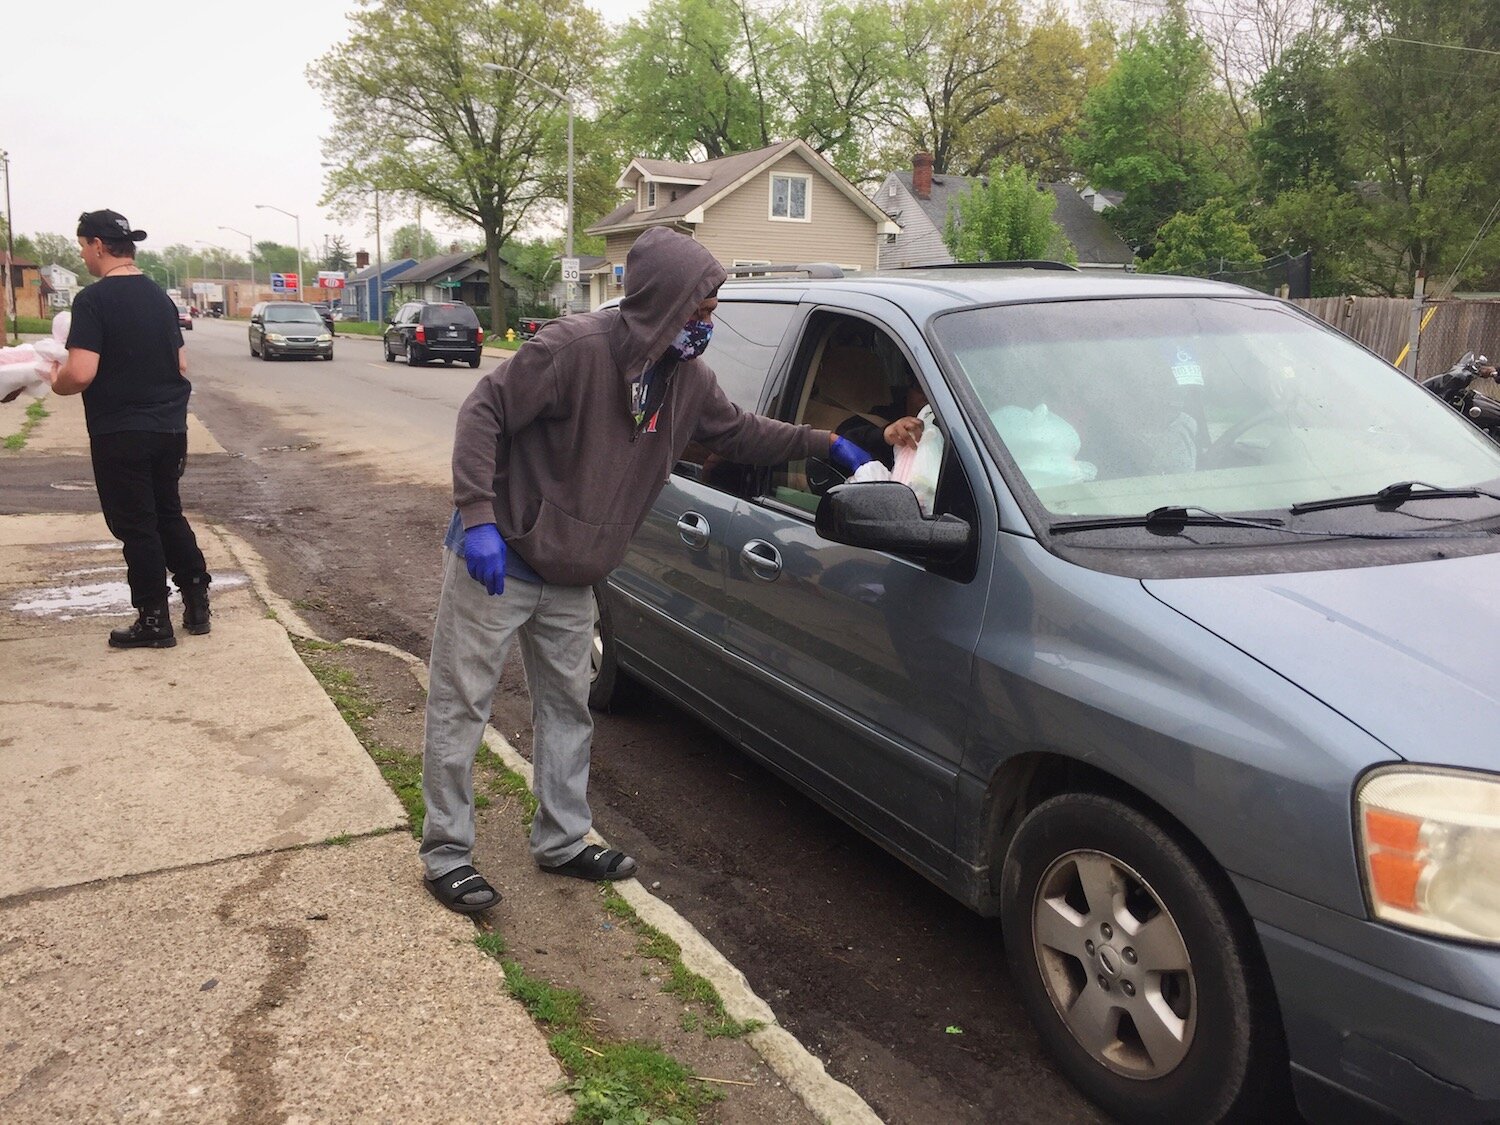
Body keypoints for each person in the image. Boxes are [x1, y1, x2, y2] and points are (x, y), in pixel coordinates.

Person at [420, 227, 872, 914]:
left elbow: (741, 432)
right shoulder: (570, 351)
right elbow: (484, 410)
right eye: (702, 307)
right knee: (462, 705)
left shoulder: (688, 381)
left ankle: (562, 839)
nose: (710, 320)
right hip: (501, 556)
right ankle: (446, 853)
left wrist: (828, 441)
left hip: (575, 573)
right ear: (664, 302)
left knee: (569, 709)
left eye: (713, 307)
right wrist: (478, 515)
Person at [47, 209, 211, 648]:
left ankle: (155, 621)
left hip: (120, 430)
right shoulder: (160, 297)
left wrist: (53, 380)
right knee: (167, 513)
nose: (82, 255)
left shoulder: (93, 301)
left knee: (137, 525)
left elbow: (80, 372)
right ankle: (197, 600)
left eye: (82, 246)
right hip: (169, 428)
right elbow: (180, 363)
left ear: (98, 245)